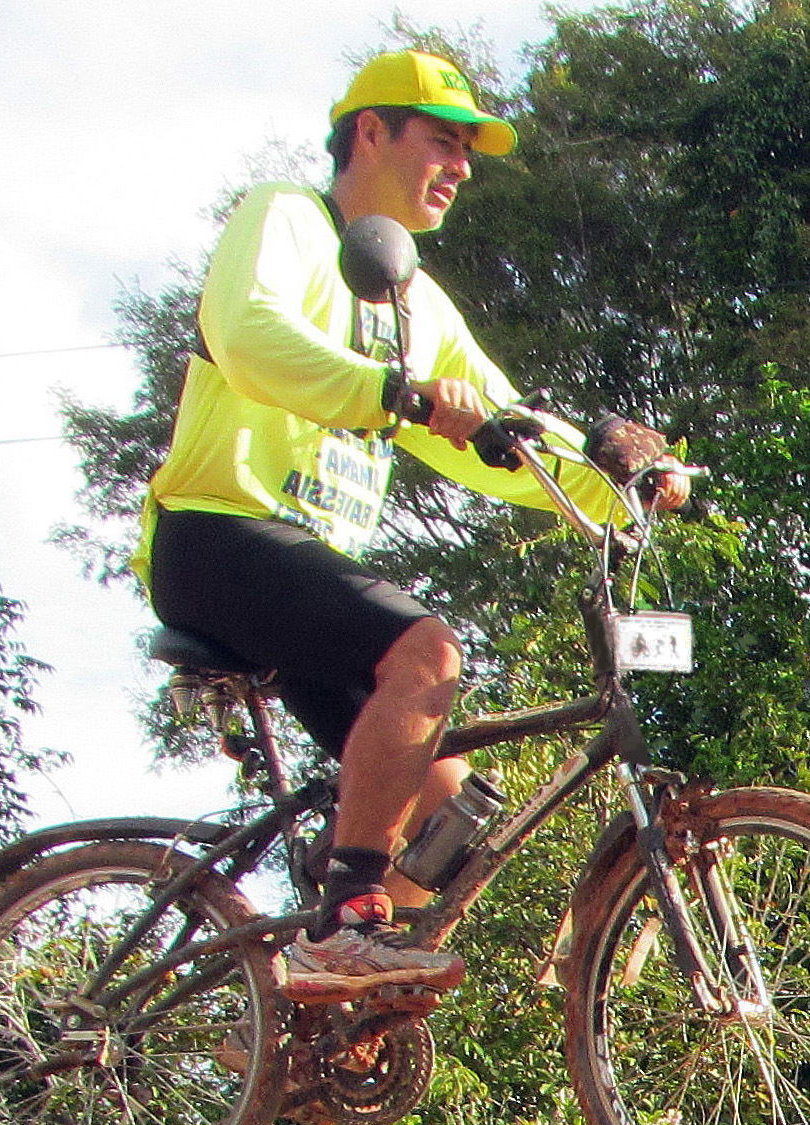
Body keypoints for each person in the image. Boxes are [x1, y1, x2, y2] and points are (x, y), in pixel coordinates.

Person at [134, 49, 687, 1003]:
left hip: (297, 571)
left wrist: (620, 482)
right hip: (214, 534)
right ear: (370, 132)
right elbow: (247, 332)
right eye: (445, 139)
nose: (463, 165)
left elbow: (503, 432)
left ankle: (322, 1013)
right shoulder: (289, 221)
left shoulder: (410, 300)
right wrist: (393, 394)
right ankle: (345, 918)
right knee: (428, 655)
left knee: (454, 808)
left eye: (470, 150)